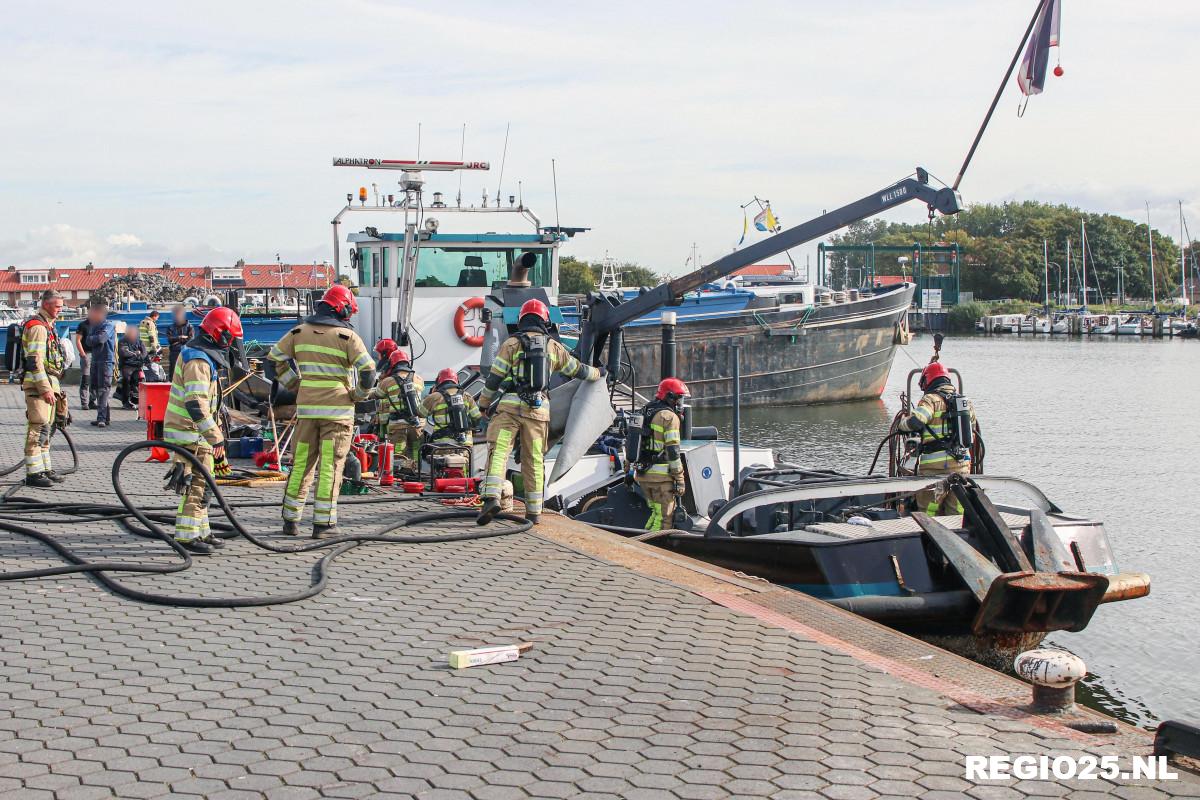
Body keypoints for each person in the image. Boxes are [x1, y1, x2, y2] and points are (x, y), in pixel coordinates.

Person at [476, 299, 602, 525]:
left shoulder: (511, 344)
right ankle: (534, 513)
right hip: (538, 413)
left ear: (521, 319)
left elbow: (494, 378)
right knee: (533, 460)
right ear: (545, 320)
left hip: (510, 411)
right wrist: (599, 373)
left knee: (500, 452)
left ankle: (491, 499)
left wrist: (484, 404)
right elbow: (578, 370)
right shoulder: (553, 347)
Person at [266, 285, 375, 538]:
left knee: (301, 464)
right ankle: (324, 525)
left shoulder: (297, 332)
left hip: (306, 414)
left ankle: (290, 521)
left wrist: (295, 384)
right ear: (343, 309)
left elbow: (273, 361)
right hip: (337, 416)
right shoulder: (347, 338)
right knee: (330, 467)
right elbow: (368, 372)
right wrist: (358, 395)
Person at [162, 308, 243, 555]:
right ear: (222, 335)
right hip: (190, 434)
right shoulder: (197, 360)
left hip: (196, 433)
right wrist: (215, 436)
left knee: (205, 484)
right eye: (232, 339)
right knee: (198, 484)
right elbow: (196, 403)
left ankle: (202, 531)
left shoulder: (201, 355)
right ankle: (187, 537)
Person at [897, 361, 977, 515]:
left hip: (934, 469)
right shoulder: (966, 403)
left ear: (928, 381)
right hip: (962, 469)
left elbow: (916, 421)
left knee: (929, 512)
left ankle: (929, 537)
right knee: (957, 513)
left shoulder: (930, 400)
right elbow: (972, 429)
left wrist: (902, 424)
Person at [20, 290, 68, 488]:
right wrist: (45, 389)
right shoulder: (38, 328)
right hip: (39, 387)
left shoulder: (48, 326)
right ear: (47, 305)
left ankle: (45, 468)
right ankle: (34, 473)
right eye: (57, 306)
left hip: (50, 384)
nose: (60, 310)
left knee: (47, 429)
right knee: (37, 428)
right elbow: (35, 362)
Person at [634, 378, 690, 531]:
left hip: (643, 475)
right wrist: (679, 479)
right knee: (665, 518)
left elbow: (631, 441)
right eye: (679, 398)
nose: (681, 403)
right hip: (661, 478)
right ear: (670, 397)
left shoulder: (645, 410)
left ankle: (643, 541)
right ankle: (654, 547)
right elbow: (673, 451)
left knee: (655, 512)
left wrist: (628, 469)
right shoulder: (669, 418)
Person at [371, 349, 426, 470]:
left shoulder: (388, 381)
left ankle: (400, 478)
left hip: (398, 426)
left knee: (398, 455)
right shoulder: (419, 379)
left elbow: (377, 395)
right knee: (416, 453)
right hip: (417, 426)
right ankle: (416, 474)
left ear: (392, 363)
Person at [421, 368, 482, 448]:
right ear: (456, 380)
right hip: (465, 443)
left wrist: (430, 395)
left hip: (443, 443)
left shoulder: (435, 396)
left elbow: (420, 413)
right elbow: (477, 417)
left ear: (439, 381)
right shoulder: (467, 396)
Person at [84, 302, 116, 428]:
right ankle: (105, 417)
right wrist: (93, 339)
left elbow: (101, 338)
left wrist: (93, 339)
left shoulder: (108, 325)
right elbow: (87, 341)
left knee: (103, 389)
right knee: (97, 388)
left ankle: (101, 418)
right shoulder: (94, 327)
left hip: (106, 361)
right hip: (96, 360)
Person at [117, 326, 148, 409]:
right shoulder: (122, 341)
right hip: (127, 365)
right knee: (126, 380)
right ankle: (125, 402)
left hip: (138, 365)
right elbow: (124, 353)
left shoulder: (139, 341)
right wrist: (136, 353)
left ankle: (141, 400)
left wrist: (139, 356)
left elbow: (144, 353)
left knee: (142, 380)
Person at [73, 315, 96, 410]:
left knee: (94, 380)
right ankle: (84, 403)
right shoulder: (83, 325)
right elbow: (78, 340)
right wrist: (83, 354)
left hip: (96, 355)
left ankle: (92, 401)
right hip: (86, 354)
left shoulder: (98, 325)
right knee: (86, 379)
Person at [165, 305, 194, 379]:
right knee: (173, 372)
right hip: (174, 353)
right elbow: (169, 340)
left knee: (187, 371)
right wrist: (181, 337)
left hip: (186, 352)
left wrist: (177, 340)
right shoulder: (170, 327)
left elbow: (190, 340)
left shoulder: (189, 327)